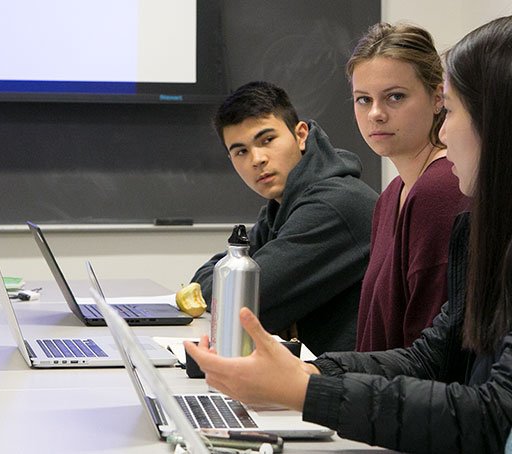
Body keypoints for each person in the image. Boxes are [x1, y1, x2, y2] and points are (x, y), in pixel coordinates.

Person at [185, 15, 512, 453]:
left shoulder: (428, 194)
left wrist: (304, 388)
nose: (445, 131)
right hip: (388, 415)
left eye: (451, 111)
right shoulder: (388, 196)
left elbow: (485, 412)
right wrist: (308, 375)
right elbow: (431, 356)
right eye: (362, 99)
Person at [190, 81, 377, 355]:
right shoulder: (280, 208)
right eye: (241, 151)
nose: (257, 159)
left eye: (267, 140)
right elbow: (208, 281)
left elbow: (243, 306)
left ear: (300, 135)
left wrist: (230, 291)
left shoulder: (333, 205)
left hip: (350, 376)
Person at [348, 23, 470, 352]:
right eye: (363, 100)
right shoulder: (391, 195)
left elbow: (431, 353)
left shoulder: (441, 188)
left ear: (437, 98)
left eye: (395, 97)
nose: (376, 114)